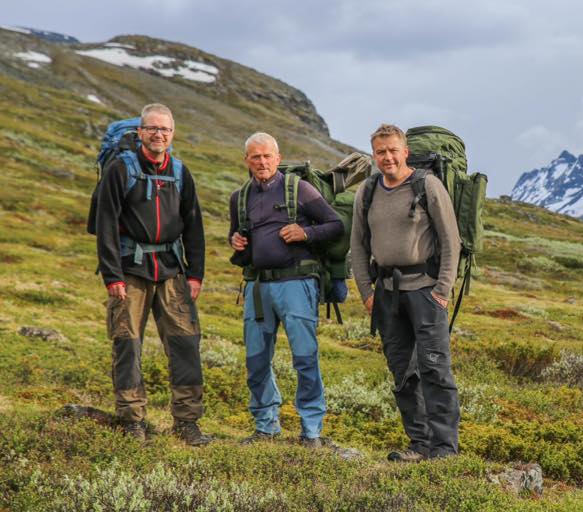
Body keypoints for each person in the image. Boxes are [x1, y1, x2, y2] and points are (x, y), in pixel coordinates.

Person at [96, 103, 209, 445]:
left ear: (172, 135)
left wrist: (195, 274)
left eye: (165, 130)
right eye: (153, 129)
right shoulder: (120, 169)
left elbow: (194, 225)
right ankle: (132, 420)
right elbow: (106, 226)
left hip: (172, 272)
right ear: (141, 132)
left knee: (185, 344)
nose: (159, 135)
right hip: (129, 271)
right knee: (127, 343)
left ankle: (187, 422)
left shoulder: (179, 171)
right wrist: (112, 276)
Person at [350, 124, 461, 462]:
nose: (387, 157)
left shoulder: (427, 185)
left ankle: (444, 448)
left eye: (393, 150)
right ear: (374, 155)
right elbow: (357, 244)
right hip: (386, 295)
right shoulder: (366, 192)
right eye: (380, 152)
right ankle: (420, 443)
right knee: (403, 372)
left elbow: (450, 240)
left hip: (425, 292)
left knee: (434, 369)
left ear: (405, 151)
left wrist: (442, 290)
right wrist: (367, 292)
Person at [228, 132, 344, 447]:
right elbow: (238, 243)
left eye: (267, 156)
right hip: (257, 287)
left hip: (297, 283)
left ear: (278, 159)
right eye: (255, 157)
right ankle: (266, 427)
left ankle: (311, 431)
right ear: (247, 161)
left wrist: (305, 233)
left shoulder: (300, 190)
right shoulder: (239, 197)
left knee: (305, 358)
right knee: (256, 360)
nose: (262, 162)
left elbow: (335, 225)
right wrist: (235, 242)